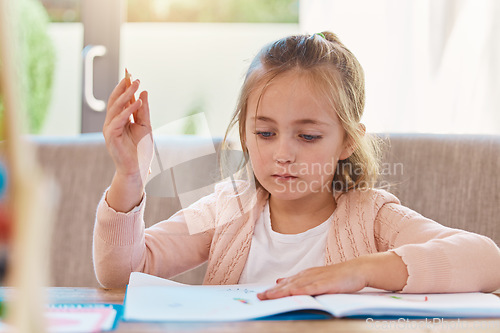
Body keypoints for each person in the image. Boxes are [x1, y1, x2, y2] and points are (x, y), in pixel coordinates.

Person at [93, 31, 500, 299]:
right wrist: (130, 176)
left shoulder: (372, 216)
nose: (283, 153)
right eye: (265, 133)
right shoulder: (227, 209)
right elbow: (121, 273)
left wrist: (360, 272)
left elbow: (487, 261)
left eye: (307, 136)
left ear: (347, 140)